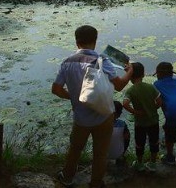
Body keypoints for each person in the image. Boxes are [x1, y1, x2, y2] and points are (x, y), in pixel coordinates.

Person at [52, 25, 133, 188]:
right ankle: (96, 183)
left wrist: (74, 97)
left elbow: (56, 89)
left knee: (75, 149)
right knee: (100, 153)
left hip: (80, 118)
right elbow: (119, 86)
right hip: (104, 116)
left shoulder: (67, 62)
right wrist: (130, 71)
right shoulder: (103, 61)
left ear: (77, 42)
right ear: (95, 41)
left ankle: (67, 178)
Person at [122, 62, 162, 172]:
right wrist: (153, 108)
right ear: (143, 74)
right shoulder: (150, 87)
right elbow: (159, 101)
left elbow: (125, 104)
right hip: (153, 121)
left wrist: (135, 112)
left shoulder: (131, 90)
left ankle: (139, 164)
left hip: (140, 123)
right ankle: (153, 163)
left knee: (140, 143)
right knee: (154, 142)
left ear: (130, 76)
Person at [107, 101, 130, 165]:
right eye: (121, 111)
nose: (122, 112)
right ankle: (122, 154)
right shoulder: (122, 124)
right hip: (118, 154)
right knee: (127, 136)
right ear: (118, 112)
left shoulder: (101, 124)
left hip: (103, 155)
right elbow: (127, 137)